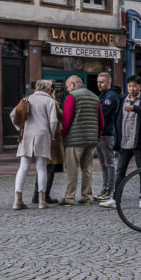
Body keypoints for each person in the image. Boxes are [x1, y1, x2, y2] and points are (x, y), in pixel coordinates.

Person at [100, 75, 141, 208]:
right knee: (120, 170)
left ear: (140, 87)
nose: (132, 89)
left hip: (138, 142)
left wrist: (136, 108)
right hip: (124, 141)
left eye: (135, 86)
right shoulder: (121, 99)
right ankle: (115, 199)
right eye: (130, 86)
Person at [14, 80, 58, 210]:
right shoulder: (49, 101)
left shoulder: (26, 99)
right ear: (48, 89)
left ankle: (17, 200)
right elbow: (53, 121)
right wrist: (52, 134)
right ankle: (41, 200)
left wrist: (21, 129)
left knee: (23, 167)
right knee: (41, 167)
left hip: (27, 135)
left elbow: (14, 116)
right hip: (43, 135)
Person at [60, 75, 102, 205]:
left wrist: (62, 134)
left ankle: (69, 197)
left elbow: (67, 119)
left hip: (74, 140)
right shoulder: (95, 97)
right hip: (91, 140)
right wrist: (96, 136)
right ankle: (87, 196)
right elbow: (101, 121)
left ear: (73, 84)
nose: (67, 90)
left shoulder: (72, 97)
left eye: (68, 86)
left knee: (72, 169)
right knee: (87, 170)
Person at [95, 72, 121, 200]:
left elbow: (102, 113)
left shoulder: (111, 96)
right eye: (98, 82)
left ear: (109, 83)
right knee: (104, 164)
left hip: (106, 134)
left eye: (102, 82)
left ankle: (111, 190)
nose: (99, 84)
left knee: (109, 163)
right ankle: (105, 188)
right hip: (99, 133)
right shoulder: (103, 95)